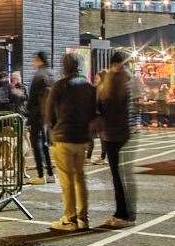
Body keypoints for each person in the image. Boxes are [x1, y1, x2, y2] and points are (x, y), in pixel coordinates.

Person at [44, 52, 96, 232]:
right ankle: (83, 218)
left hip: (64, 135)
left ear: (65, 67)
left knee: (67, 180)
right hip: (82, 137)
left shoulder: (60, 86)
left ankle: (70, 219)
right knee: (80, 178)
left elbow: (49, 113)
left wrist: (51, 129)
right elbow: (94, 111)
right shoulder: (89, 86)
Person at [96, 50, 141, 229]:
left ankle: (122, 214)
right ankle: (128, 213)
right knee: (126, 175)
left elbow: (104, 105)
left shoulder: (113, 80)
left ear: (113, 63)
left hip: (114, 133)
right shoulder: (131, 80)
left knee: (118, 176)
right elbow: (135, 106)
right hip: (128, 132)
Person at [26, 51, 52, 185]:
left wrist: (28, 113)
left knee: (36, 143)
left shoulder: (38, 76)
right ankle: (51, 174)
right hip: (46, 115)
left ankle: (41, 175)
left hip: (37, 114)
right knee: (45, 143)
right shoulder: (50, 74)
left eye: (35, 59)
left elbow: (32, 99)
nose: (33, 61)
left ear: (39, 60)